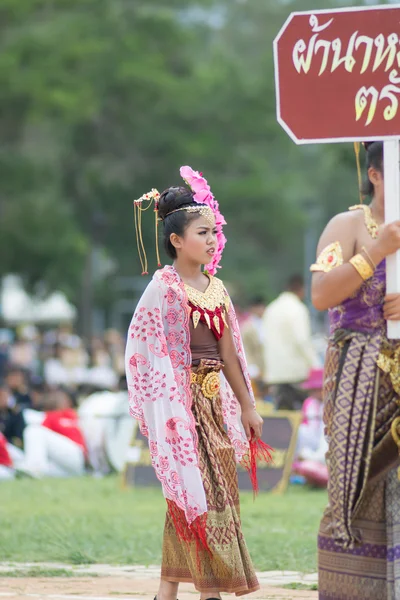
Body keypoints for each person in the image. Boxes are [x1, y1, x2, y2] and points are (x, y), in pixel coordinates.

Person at [125, 167, 272, 600]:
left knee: (202, 494)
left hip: (213, 409)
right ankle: (210, 593)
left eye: (213, 232)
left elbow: (230, 356)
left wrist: (247, 405)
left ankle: (166, 592)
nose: (211, 240)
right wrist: (173, 405)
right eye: (202, 232)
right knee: (197, 495)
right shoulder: (164, 289)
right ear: (176, 240)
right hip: (180, 410)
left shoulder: (217, 289)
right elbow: (146, 351)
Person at [312, 141, 400, 599]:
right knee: (354, 482)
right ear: (376, 175)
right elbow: (322, 294)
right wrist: (376, 252)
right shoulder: (345, 225)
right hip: (359, 369)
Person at [262, 274, 318, 410]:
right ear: (301, 289)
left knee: (284, 419)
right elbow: (302, 340)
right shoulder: (297, 308)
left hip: (275, 373)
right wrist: (315, 365)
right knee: (302, 417)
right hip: (296, 374)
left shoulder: (271, 308)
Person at [292, 367, 328, 488]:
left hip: (327, 447)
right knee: (300, 430)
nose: (317, 393)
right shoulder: (309, 403)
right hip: (311, 444)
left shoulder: (332, 403)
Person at [241, 297, 267, 395]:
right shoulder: (247, 328)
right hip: (255, 368)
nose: (261, 310)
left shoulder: (268, 324)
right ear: (253, 309)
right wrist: (252, 368)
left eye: (262, 307)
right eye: (259, 308)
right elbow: (246, 350)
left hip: (267, 368)